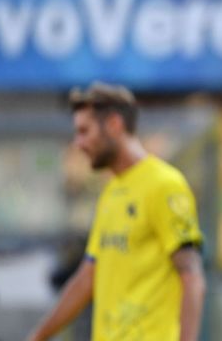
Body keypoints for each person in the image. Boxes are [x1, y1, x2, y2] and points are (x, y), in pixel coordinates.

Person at [28, 82, 205, 341]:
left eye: (84, 131)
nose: (78, 143)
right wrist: (37, 337)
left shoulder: (164, 185)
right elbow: (88, 278)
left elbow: (192, 276)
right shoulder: (111, 192)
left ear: (113, 124)